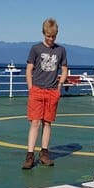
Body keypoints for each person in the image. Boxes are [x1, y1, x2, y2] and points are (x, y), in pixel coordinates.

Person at [22, 18, 68, 169]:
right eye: (48, 36)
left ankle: (44, 154)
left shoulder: (60, 50)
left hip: (52, 91)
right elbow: (29, 69)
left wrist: (59, 86)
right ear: (44, 34)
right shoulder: (35, 49)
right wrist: (30, 87)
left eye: (53, 36)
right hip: (37, 89)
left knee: (47, 123)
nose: (51, 39)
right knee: (35, 122)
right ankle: (30, 155)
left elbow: (64, 69)